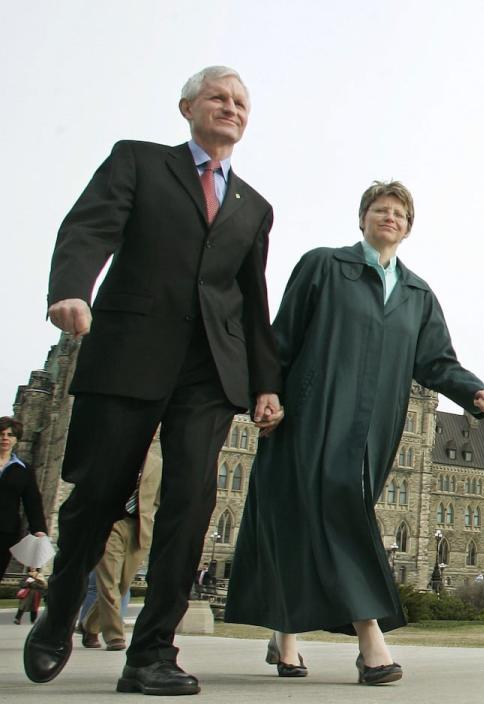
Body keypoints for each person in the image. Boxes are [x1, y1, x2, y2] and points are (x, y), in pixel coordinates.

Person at [24, 65, 283, 697]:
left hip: (207, 371)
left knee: (191, 505)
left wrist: (265, 382)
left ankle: (152, 652)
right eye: (219, 98)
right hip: (130, 351)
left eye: (241, 102)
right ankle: (60, 613)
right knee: (98, 495)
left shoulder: (254, 206)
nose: (231, 108)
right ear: (188, 106)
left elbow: (252, 302)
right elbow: (88, 228)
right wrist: (70, 292)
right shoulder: (138, 162)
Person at [225, 181, 484, 685]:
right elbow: (280, 336)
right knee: (337, 517)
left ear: (408, 227)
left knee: (307, 523)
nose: (388, 217)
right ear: (362, 218)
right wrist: (266, 393)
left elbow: (435, 360)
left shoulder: (417, 295)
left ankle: (284, 636)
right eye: (379, 209)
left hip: (374, 430)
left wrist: (473, 393)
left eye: (398, 212)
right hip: (309, 416)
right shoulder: (323, 267)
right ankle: (371, 640)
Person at [80, 443, 162, 651]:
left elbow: (159, 499)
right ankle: (115, 635)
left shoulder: (157, 463)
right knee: (109, 580)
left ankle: (89, 625)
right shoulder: (112, 455)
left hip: (138, 526)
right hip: (111, 521)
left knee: (123, 584)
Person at [0, 416, 48, 579]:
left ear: (17, 439)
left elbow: (32, 503)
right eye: (1, 433)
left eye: (10, 435)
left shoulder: (24, 470)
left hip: (5, 532)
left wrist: (39, 531)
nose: (5, 438)